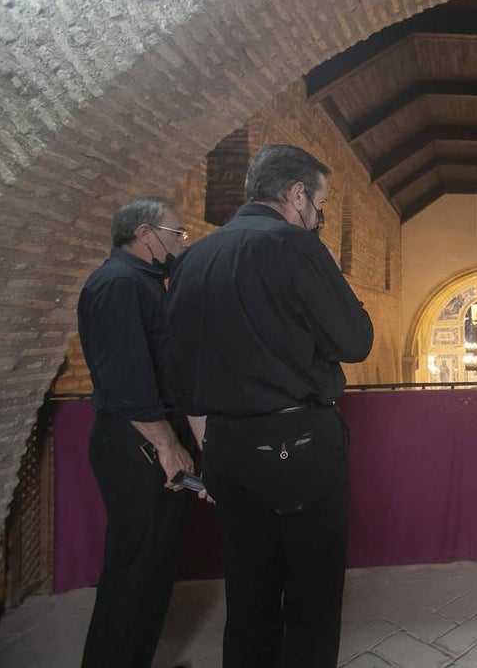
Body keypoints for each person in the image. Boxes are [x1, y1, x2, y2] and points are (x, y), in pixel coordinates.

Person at [167, 144, 374, 667]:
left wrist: (206, 447)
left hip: (227, 446)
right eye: (319, 201)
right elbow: (354, 342)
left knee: (249, 589)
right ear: (297, 193)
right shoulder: (294, 246)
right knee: (311, 594)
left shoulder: (194, 257)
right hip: (297, 443)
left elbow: (183, 367)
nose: (319, 214)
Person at [77, 197, 196, 667]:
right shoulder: (119, 284)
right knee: (136, 569)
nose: (181, 241)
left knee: (152, 567)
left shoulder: (142, 283)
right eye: (177, 233)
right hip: (140, 444)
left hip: (148, 440)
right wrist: (168, 446)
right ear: (146, 234)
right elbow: (126, 382)